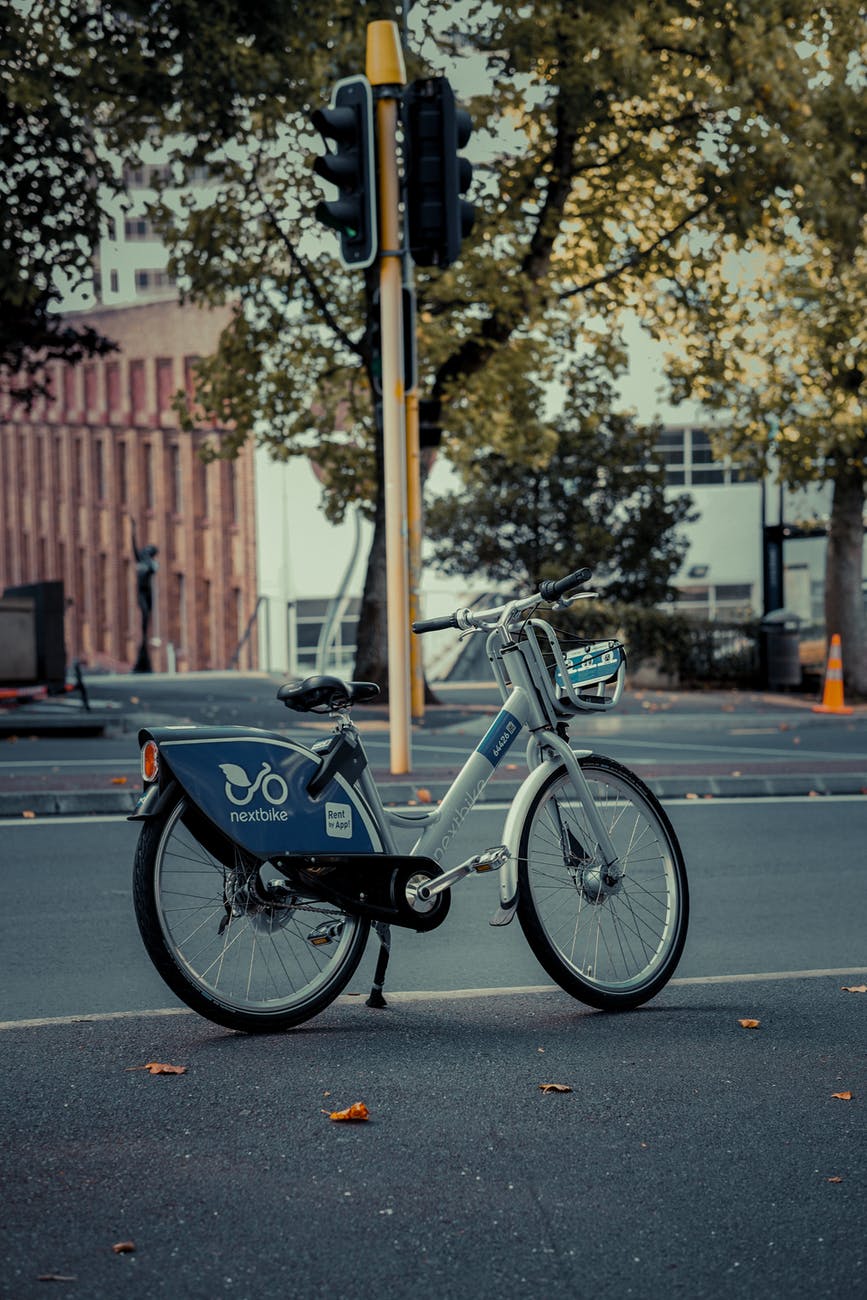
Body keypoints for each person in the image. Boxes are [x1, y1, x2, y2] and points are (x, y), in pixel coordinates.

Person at [131, 517, 158, 672]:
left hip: (148, 594)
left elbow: (154, 568)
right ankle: (142, 655)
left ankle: (144, 654)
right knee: (144, 621)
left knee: (146, 620)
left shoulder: (151, 564)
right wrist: (133, 530)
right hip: (141, 593)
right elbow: (133, 547)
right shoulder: (141, 560)